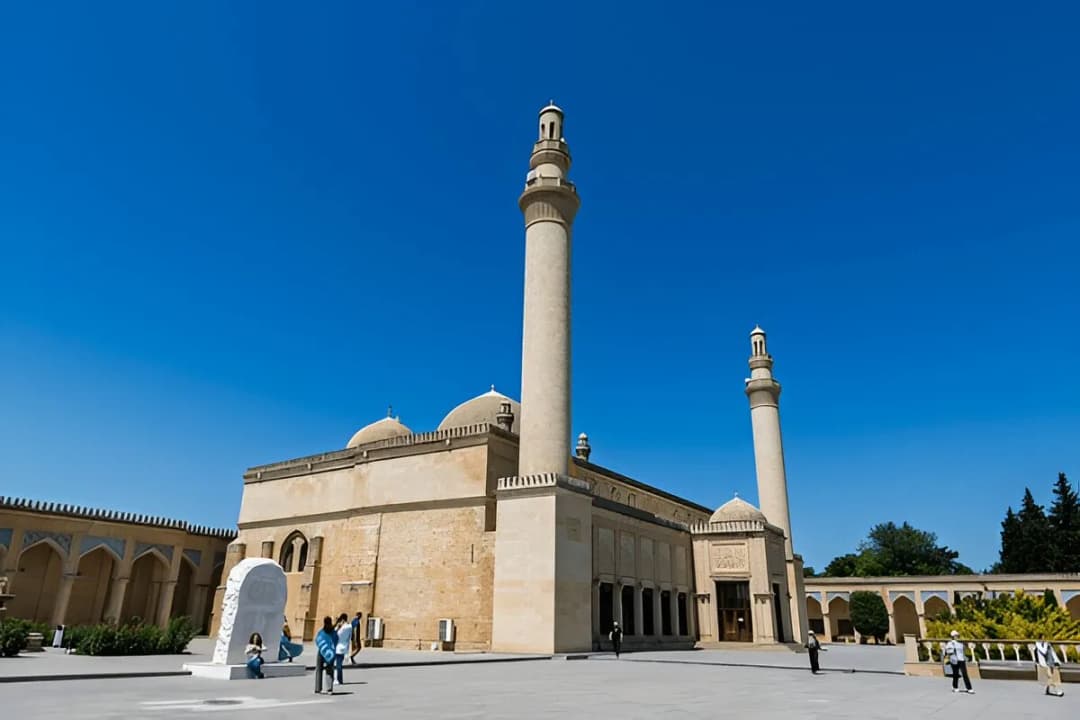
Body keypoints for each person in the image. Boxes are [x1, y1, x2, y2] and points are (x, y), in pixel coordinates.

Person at [315, 616, 338, 694]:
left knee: (319, 669)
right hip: (330, 652)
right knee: (329, 670)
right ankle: (329, 689)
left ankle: (318, 688)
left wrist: (323, 647)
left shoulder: (321, 632)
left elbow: (317, 640)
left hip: (321, 651)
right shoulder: (333, 632)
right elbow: (336, 640)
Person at [334, 613, 353, 685]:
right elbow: (349, 637)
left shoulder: (342, 627)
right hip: (344, 646)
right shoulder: (349, 626)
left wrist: (338, 627)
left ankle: (338, 679)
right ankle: (340, 679)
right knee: (339, 664)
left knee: (338, 665)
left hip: (338, 647)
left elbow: (337, 635)